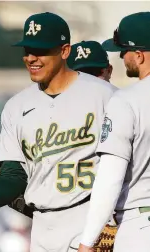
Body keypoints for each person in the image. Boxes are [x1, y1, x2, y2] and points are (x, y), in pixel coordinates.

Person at [0, 12, 117, 252]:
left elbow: (127, 165)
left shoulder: (104, 96)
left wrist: (115, 217)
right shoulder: (17, 106)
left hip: (89, 218)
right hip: (42, 225)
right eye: (27, 50)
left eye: (41, 50)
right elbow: (14, 175)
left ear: (65, 51)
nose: (31, 58)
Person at [78, 11, 150, 252]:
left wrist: (87, 241)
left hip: (141, 225)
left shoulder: (126, 101)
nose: (121, 56)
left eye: (124, 51)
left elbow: (110, 178)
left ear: (139, 56)